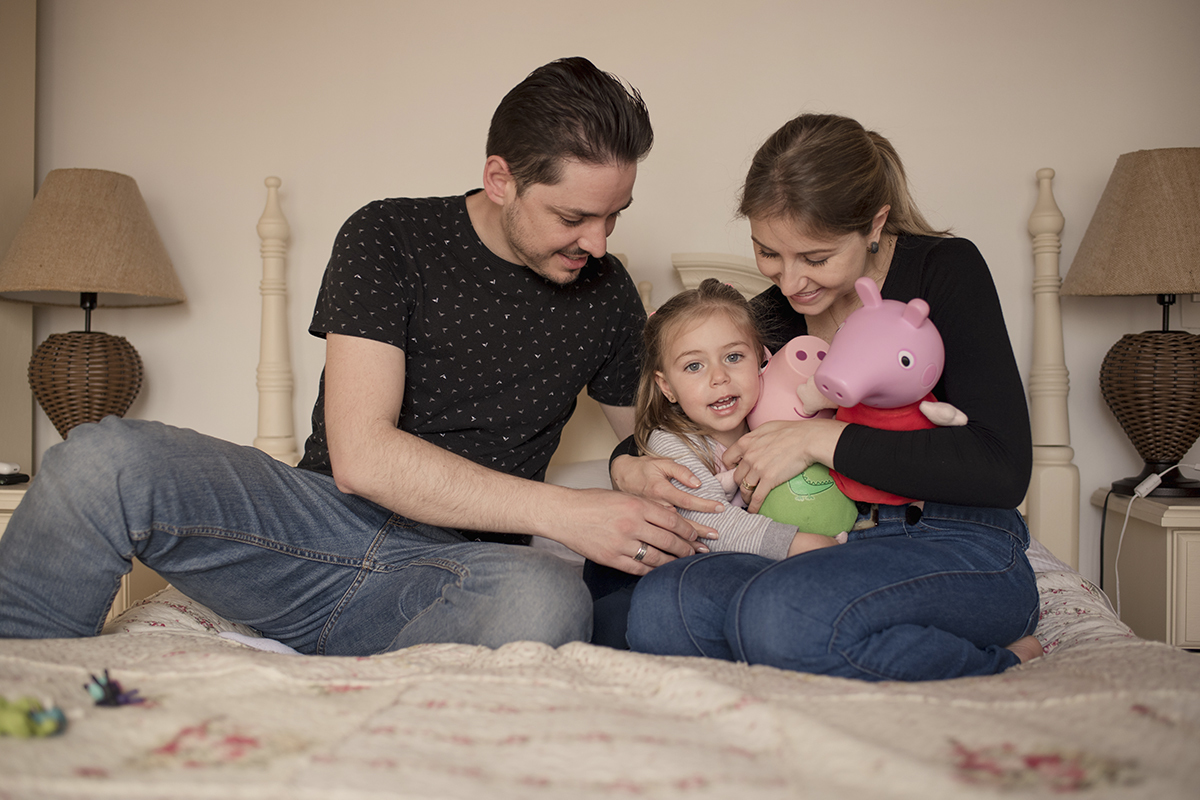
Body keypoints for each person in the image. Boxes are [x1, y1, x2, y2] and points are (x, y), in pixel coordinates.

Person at [0, 57, 705, 656]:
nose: (600, 242)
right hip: (311, 527)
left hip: (454, 569)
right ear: (501, 178)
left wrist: (644, 467)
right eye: (573, 217)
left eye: (616, 215)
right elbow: (363, 457)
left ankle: (371, 690)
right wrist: (563, 511)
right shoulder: (390, 234)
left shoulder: (607, 291)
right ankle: (22, 695)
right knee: (99, 460)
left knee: (547, 595)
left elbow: (656, 439)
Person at [612, 113, 1043, 681]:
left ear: (874, 223)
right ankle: (820, 634)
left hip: (952, 539)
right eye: (768, 253)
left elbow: (1003, 468)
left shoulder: (944, 271)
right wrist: (626, 469)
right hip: (829, 548)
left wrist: (821, 438)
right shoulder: (771, 316)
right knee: (664, 607)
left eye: (814, 258)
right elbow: (676, 421)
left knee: (780, 617)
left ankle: (1004, 656)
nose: (791, 284)